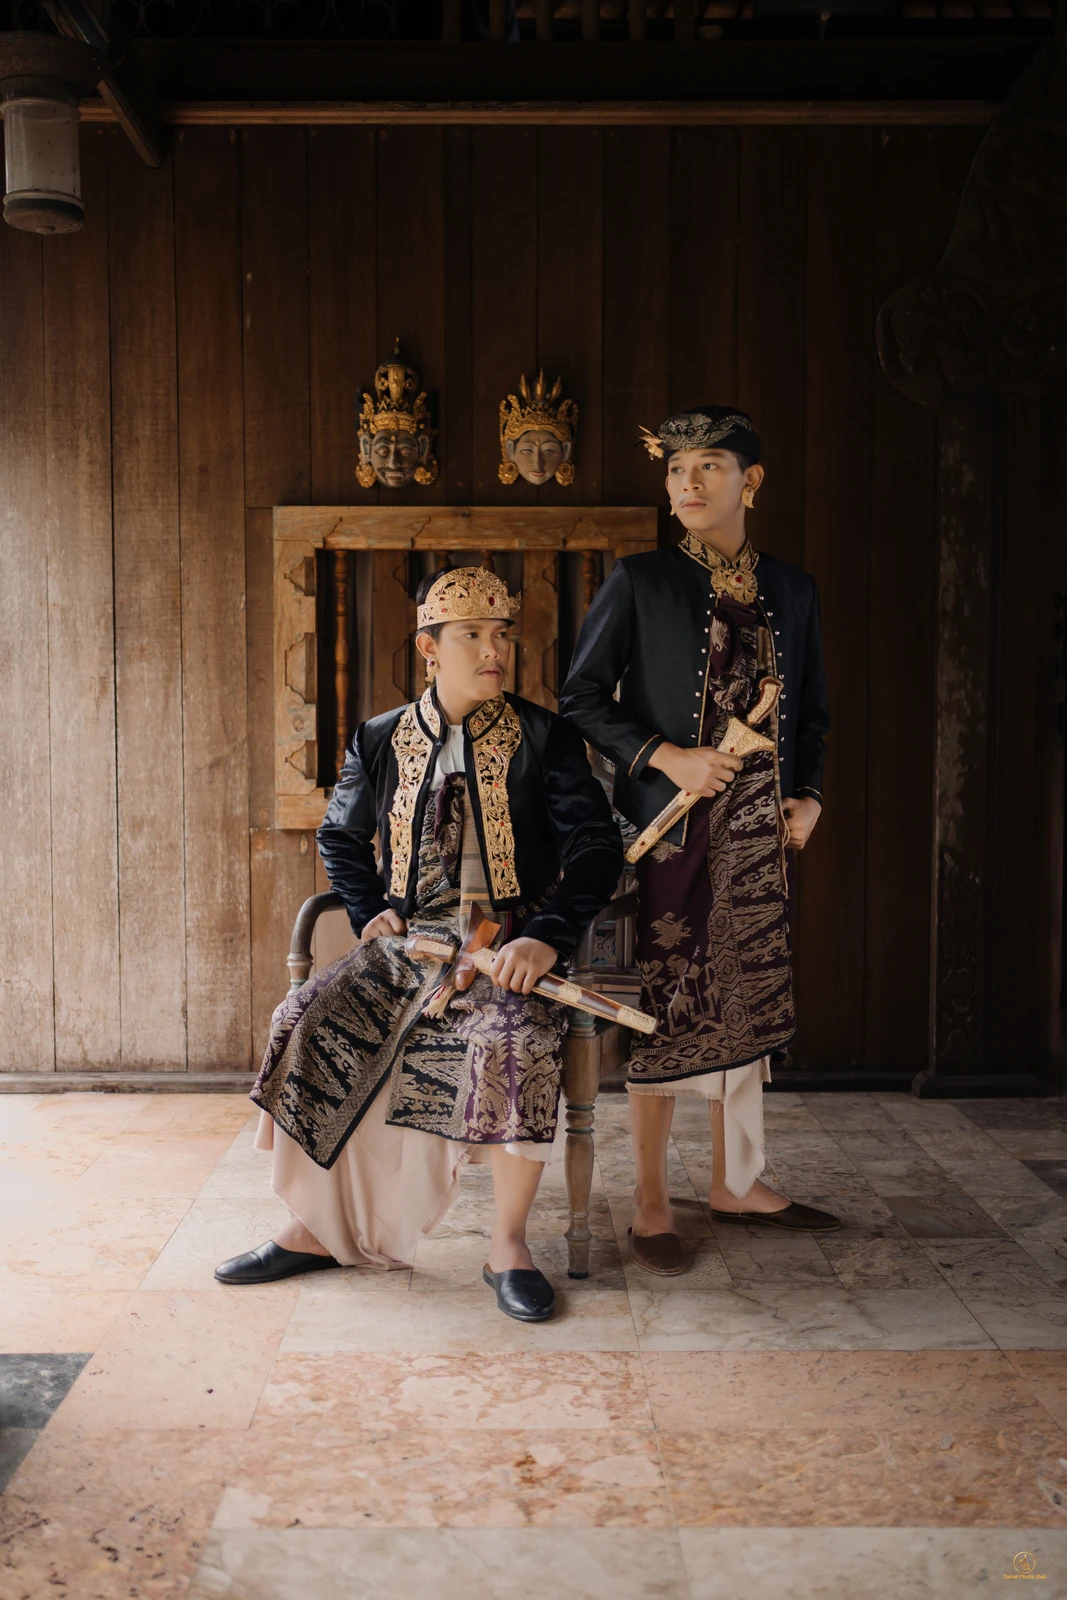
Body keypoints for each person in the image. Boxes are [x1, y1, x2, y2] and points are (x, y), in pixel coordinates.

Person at [216, 566, 623, 1320]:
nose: (495, 650)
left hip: (508, 946)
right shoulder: (380, 737)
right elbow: (340, 836)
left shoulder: (546, 736)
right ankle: (313, 1228)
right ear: (429, 648)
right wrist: (370, 909)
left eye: (502, 634)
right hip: (410, 947)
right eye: (472, 635)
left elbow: (597, 849)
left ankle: (507, 1246)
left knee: (513, 1042)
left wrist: (545, 936)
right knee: (305, 1018)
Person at [559, 405, 838, 1276]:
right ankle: (650, 1198)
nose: (687, 482)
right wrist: (664, 755)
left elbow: (813, 713)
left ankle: (734, 1182)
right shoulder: (639, 580)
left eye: (709, 465)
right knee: (669, 1008)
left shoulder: (792, 589)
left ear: (750, 481)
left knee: (745, 998)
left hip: (759, 834)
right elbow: (579, 698)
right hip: (669, 832)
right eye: (676, 468)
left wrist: (808, 797)